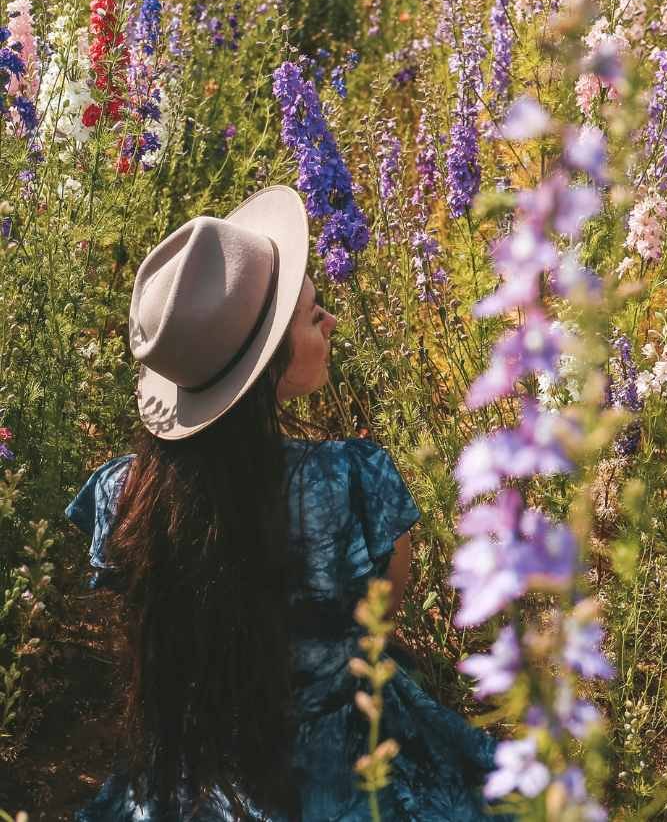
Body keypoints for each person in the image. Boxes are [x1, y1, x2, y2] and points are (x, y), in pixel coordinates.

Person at [65, 185, 512, 821]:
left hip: (192, 773)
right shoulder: (352, 485)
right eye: (310, 317)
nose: (330, 322)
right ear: (269, 365)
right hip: (339, 762)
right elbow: (383, 605)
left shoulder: (125, 499)